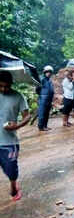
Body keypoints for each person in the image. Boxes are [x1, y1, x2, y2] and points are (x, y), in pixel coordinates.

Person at [0, 71, 31, 201]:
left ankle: (13, 184)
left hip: (9, 142)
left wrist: (17, 126)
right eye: (0, 86)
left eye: (6, 86)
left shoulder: (18, 96)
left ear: (11, 84)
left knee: (11, 169)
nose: (3, 89)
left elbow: (27, 116)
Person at [37, 65, 54, 131]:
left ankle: (45, 126)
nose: (48, 73)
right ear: (44, 72)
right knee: (42, 113)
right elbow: (37, 89)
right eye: (47, 72)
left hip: (49, 99)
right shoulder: (41, 79)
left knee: (47, 113)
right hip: (43, 98)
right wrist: (42, 95)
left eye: (50, 72)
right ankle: (41, 127)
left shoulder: (49, 80)